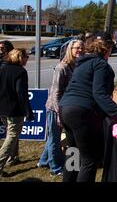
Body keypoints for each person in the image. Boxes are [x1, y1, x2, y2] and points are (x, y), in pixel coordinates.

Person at [59, 36, 117, 182]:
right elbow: (99, 93)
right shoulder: (100, 65)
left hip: (65, 108)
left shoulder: (81, 64)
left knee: (73, 152)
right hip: (81, 111)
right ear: (106, 50)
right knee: (89, 160)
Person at [37, 39, 85, 176]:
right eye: (77, 48)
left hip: (65, 106)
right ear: (70, 49)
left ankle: (43, 160)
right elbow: (56, 92)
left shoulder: (75, 65)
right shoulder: (61, 67)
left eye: (82, 48)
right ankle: (55, 168)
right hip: (55, 107)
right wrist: (58, 113)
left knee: (54, 136)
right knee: (54, 138)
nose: (80, 50)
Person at [0, 48, 34, 177]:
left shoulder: (3, 69)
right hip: (14, 109)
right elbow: (21, 93)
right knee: (12, 136)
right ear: (20, 57)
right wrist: (28, 111)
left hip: (2, 109)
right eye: (26, 56)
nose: (27, 59)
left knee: (11, 135)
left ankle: (12, 158)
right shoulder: (20, 71)